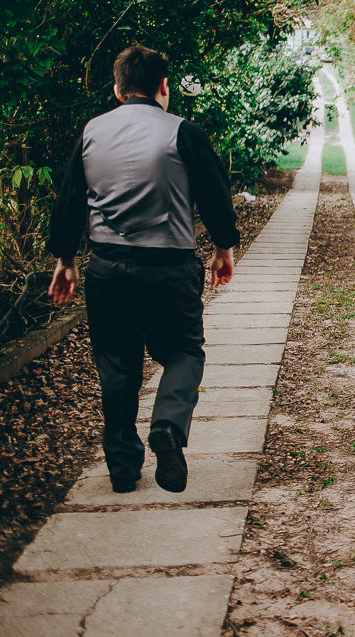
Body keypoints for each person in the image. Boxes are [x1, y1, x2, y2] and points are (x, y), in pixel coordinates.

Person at [47, 44, 240, 494]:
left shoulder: (92, 132)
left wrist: (66, 260)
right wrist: (223, 248)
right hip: (169, 268)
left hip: (108, 268)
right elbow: (214, 194)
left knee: (116, 364)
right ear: (163, 87)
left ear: (117, 89)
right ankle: (169, 425)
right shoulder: (182, 132)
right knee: (184, 352)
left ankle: (121, 467)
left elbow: (71, 198)